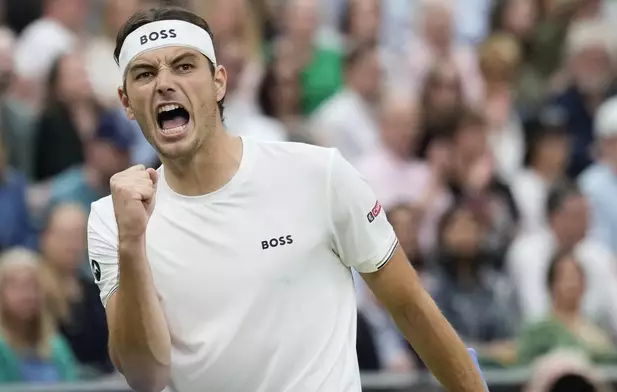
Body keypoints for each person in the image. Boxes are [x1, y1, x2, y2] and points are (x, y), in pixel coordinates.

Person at [86, 6, 487, 392]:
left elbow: (411, 307)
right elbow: (145, 376)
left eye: (185, 66)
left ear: (219, 82)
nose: (165, 83)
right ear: (126, 102)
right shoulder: (113, 221)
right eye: (144, 73)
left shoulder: (318, 174)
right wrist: (131, 243)